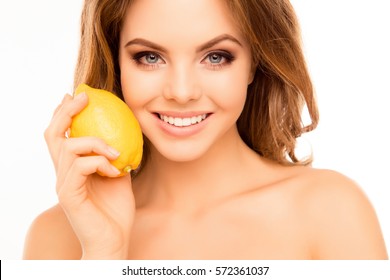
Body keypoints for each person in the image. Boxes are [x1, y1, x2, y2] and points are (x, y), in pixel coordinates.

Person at [23, 0, 387, 260]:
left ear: (253, 64)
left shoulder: (331, 211)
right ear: (116, 64)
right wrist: (105, 253)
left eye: (216, 57)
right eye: (150, 57)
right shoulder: (56, 238)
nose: (182, 93)